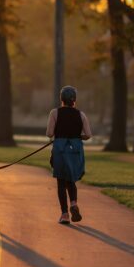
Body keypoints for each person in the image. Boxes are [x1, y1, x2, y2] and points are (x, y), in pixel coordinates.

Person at [46, 86, 92, 224]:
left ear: (61, 99)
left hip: (60, 149)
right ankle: (73, 203)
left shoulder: (55, 113)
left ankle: (65, 214)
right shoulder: (81, 115)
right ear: (74, 100)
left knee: (61, 181)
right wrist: (77, 136)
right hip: (75, 149)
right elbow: (88, 135)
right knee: (71, 179)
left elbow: (49, 133)